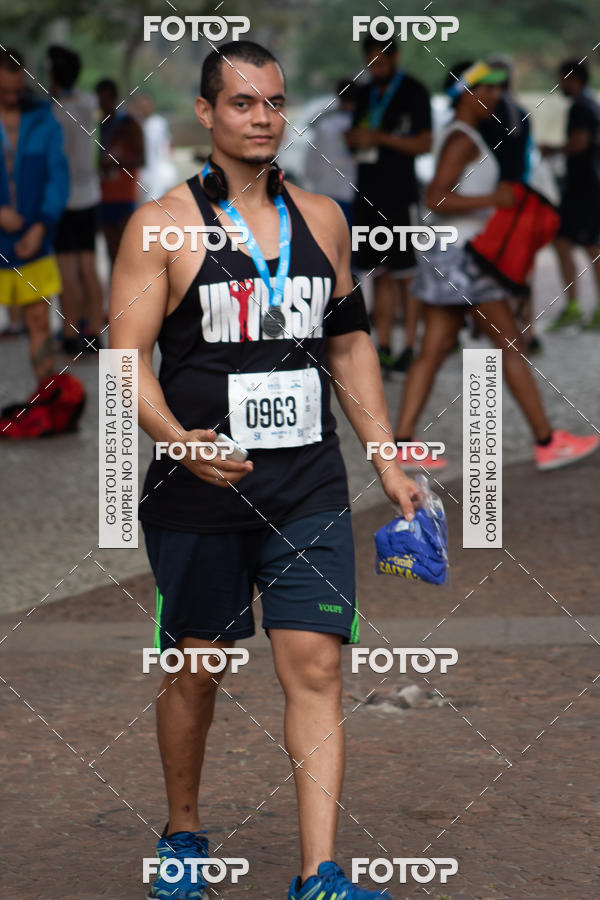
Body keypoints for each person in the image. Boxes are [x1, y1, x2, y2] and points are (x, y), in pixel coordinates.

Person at [110, 40, 418, 900]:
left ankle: (320, 873)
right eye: (243, 104)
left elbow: (350, 342)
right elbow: (124, 359)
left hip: (308, 483)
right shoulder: (161, 225)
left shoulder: (323, 218)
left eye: (275, 103)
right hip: (201, 490)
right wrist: (179, 439)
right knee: (196, 670)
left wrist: (386, 460)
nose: (262, 118)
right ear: (205, 114)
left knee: (318, 667)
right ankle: (181, 833)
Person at [393, 61, 599, 472]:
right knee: (510, 345)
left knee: (433, 349)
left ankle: (401, 442)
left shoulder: (463, 135)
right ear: (461, 93)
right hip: (465, 258)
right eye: (482, 89)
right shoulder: (462, 139)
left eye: (498, 88)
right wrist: (493, 202)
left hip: (451, 255)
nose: (493, 96)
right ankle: (546, 442)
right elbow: (436, 198)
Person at [347, 35, 431, 375]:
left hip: (401, 196)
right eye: (370, 61)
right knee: (378, 274)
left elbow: (425, 143)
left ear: (394, 57)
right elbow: (354, 137)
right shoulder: (364, 92)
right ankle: (383, 346)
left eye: (380, 61)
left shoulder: (414, 91)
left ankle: (409, 346)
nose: (374, 67)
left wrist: (379, 137)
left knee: (406, 274)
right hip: (368, 195)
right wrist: (354, 139)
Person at [0, 46, 68, 386]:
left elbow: (58, 176)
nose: (12, 97)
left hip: (33, 240)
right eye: (4, 92)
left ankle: (47, 400)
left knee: (40, 321)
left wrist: (41, 226)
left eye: (18, 90)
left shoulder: (44, 119)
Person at [478, 54, 541, 354]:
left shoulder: (488, 113)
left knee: (492, 266)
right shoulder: (521, 111)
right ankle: (527, 330)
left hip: (497, 195)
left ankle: (500, 331)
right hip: (520, 193)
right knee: (522, 267)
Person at [48, 45, 105, 354]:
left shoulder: (53, 111)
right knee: (89, 265)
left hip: (63, 198)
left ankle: (70, 333)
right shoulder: (88, 102)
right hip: (90, 194)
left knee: (66, 268)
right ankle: (95, 330)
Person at [541, 59, 600, 330]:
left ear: (571, 78)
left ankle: (584, 308)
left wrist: (553, 151)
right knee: (564, 242)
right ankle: (574, 305)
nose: (559, 84)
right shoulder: (590, 104)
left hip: (585, 187)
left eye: (561, 78)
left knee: (591, 246)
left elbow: (579, 143)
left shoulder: (581, 107)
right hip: (585, 186)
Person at [95, 78, 144, 266]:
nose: (103, 105)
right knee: (110, 254)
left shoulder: (129, 125)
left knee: (126, 255)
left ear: (114, 99)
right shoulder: (99, 127)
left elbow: (141, 159)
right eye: (100, 101)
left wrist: (116, 163)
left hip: (125, 198)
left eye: (106, 100)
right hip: (104, 197)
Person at [306, 79, 358, 228]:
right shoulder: (364, 127)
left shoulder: (324, 126)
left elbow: (310, 167)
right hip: (352, 195)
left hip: (325, 193)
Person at [136, 93, 178, 202]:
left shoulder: (158, 123)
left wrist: (169, 161)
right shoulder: (137, 124)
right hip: (143, 173)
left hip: (158, 171)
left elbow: (168, 142)